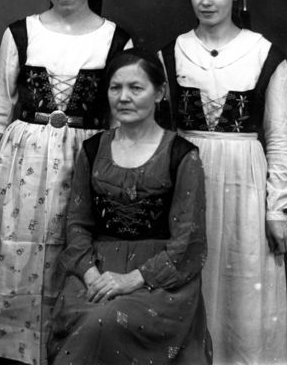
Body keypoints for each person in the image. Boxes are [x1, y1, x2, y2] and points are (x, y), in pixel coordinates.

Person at [0, 0, 132, 365]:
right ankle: (14, 352)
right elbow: (1, 106)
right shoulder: (21, 33)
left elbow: (121, 117)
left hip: (85, 159)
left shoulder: (115, 39)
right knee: (17, 251)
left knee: (74, 251)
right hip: (22, 161)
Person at [159, 0, 287, 364]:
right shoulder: (172, 53)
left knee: (243, 279)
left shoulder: (264, 53)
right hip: (188, 178)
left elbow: (279, 136)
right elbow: (161, 134)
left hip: (245, 182)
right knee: (192, 277)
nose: (206, 2)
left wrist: (277, 209)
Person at [47, 49, 212, 365]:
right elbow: (77, 224)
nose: (124, 97)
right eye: (115, 88)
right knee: (89, 316)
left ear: (159, 93)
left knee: (107, 320)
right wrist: (91, 275)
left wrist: (134, 279)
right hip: (98, 270)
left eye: (136, 88)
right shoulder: (92, 149)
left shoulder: (182, 155)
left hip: (157, 281)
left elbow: (188, 242)